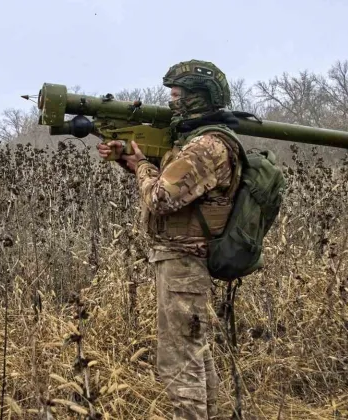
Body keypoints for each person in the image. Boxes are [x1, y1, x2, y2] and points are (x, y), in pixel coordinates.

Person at [96, 60, 243, 419]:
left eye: (177, 95)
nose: (171, 102)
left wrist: (142, 167)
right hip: (179, 259)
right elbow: (173, 184)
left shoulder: (207, 146)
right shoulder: (198, 141)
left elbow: (161, 197)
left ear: (199, 97)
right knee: (194, 352)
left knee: (181, 360)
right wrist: (129, 161)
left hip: (185, 261)